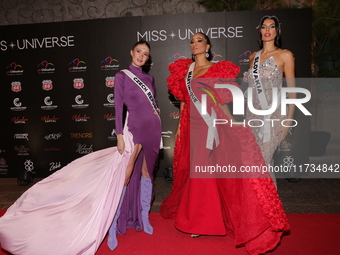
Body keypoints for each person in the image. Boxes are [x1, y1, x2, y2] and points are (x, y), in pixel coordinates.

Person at [0, 39, 162, 255]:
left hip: (152, 129)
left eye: (146, 54)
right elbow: (117, 109)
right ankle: (112, 225)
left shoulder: (149, 78)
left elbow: (155, 105)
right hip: (132, 130)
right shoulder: (122, 76)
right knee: (123, 177)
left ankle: (144, 217)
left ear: (148, 58)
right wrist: (120, 136)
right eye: (139, 51)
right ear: (131, 52)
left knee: (146, 173)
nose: (142, 56)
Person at [160, 32, 290, 255]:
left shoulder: (216, 69)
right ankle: (206, 216)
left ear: (208, 46)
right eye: (191, 41)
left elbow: (219, 101)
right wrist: (181, 127)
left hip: (210, 124)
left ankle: (200, 222)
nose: (194, 44)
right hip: (191, 125)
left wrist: (232, 123)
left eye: (199, 41)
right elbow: (184, 101)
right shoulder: (185, 70)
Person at [244, 15, 296, 185]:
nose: (267, 30)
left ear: (277, 31)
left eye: (271, 26)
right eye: (264, 27)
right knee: (254, 163)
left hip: (274, 116)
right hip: (252, 116)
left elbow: (292, 91)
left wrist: (288, 122)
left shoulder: (285, 55)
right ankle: (260, 207)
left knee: (263, 161)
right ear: (259, 31)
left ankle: (268, 208)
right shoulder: (253, 57)